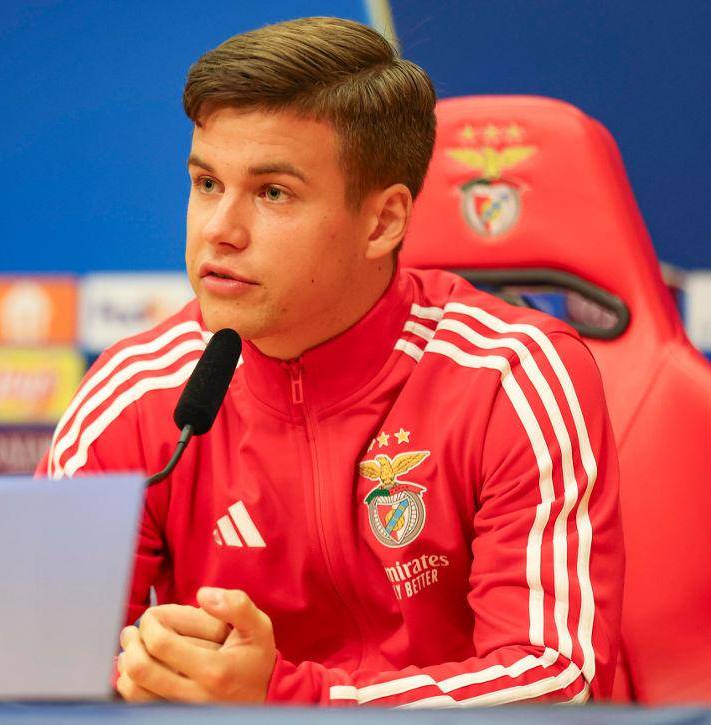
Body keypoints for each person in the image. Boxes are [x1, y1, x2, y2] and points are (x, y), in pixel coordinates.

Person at [37, 16, 623, 706]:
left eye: (272, 193)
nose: (219, 230)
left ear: (383, 221)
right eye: (206, 183)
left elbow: (555, 683)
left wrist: (286, 703)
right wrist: (140, 676)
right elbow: (35, 662)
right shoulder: (135, 394)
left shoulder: (511, 376)